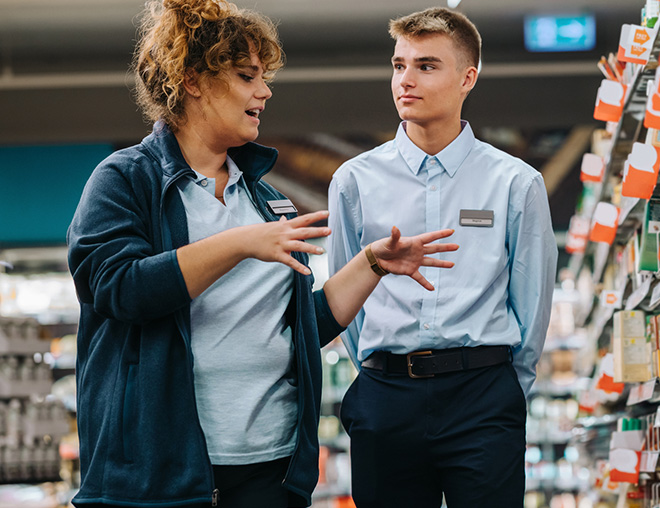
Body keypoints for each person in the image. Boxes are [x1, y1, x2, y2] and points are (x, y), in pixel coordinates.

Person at [66, 1, 457, 507]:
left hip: (269, 468)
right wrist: (240, 243)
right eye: (248, 76)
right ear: (193, 81)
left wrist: (373, 263)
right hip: (159, 473)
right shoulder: (126, 180)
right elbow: (117, 288)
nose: (265, 91)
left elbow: (297, 326)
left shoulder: (264, 199)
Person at [327, 7, 557, 508]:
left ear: (467, 78)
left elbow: (533, 301)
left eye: (426, 66)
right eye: (398, 65)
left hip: (483, 396)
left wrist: (504, 390)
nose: (405, 80)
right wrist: (378, 368)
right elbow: (345, 301)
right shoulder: (354, 181)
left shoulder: (515, 183)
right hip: (386, 397)